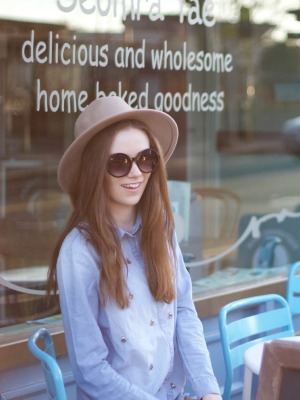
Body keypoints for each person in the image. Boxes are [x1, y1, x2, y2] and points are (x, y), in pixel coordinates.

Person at [46, 96, 222, 400]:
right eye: (119, 162)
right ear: (94, 170)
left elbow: (183, 310)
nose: (137, 172)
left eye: (145, 158)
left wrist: (209, 391)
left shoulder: (161, 228)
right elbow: (90, 369)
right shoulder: (80, 252)